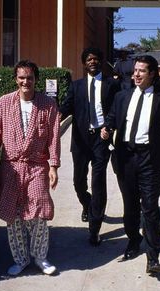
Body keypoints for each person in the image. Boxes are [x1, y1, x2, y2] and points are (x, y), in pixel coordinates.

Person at [0, 60, 61, 276]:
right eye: (21, 77)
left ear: (36, 79)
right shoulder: (3, 103)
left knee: (39, 212)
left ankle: (40, 257)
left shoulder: (48, 104)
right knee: (13, 215)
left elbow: (54, 136)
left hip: (36, 165)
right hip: (11, 167)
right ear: (16, 79)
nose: (25, 81)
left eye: (30, 77)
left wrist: (54, 165)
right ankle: (21, 258)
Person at [101, 55, 160, 274]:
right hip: (126, 156)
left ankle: (153, 258)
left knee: (150, 208)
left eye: (142, 71)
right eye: (135, 70)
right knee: (130, 206)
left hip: (150, 159)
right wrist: (107, 128)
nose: (136, 74)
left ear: (152, 73)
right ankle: (134, 241)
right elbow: (113, 118)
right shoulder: (122, 96)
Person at [59, 47, 120, 246]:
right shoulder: (76, 86)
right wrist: (48, 116)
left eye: (95, 58)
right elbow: (65, 108)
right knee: (78, 182)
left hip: (101, 140)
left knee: (98, 183)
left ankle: (95, 229)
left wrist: (109, 127)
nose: (92, 62)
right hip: (80, 141)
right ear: (84, 64)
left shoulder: (112, 84)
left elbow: (117, 109)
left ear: (100, 62)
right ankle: (87, 204)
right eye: (88, 59)